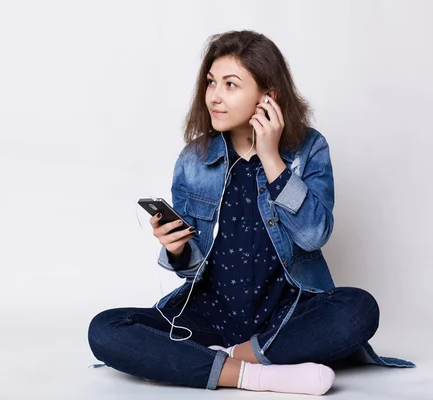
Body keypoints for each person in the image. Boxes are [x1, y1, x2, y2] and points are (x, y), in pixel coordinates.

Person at [87, 30, 414, 395]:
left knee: (359, 309)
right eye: (211, 82)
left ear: (267, 96)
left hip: (287, 316)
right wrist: (176, 249)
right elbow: (193, 270)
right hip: (211, 316)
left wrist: (272, 158)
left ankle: (223, 359)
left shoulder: (309, 148)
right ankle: (252, 373)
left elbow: (314, 234)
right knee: (105, 328)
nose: (214, 96)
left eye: (231, 84)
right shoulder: (195, 159)